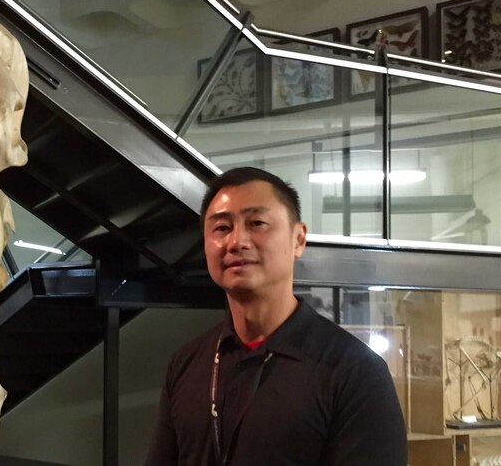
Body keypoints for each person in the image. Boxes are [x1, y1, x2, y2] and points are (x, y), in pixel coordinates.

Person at [144, 167, 407, 466]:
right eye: (221, 228)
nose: (236, 241)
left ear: (299, 239)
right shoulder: (186, 363)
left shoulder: (354, 371)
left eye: (257, 222)